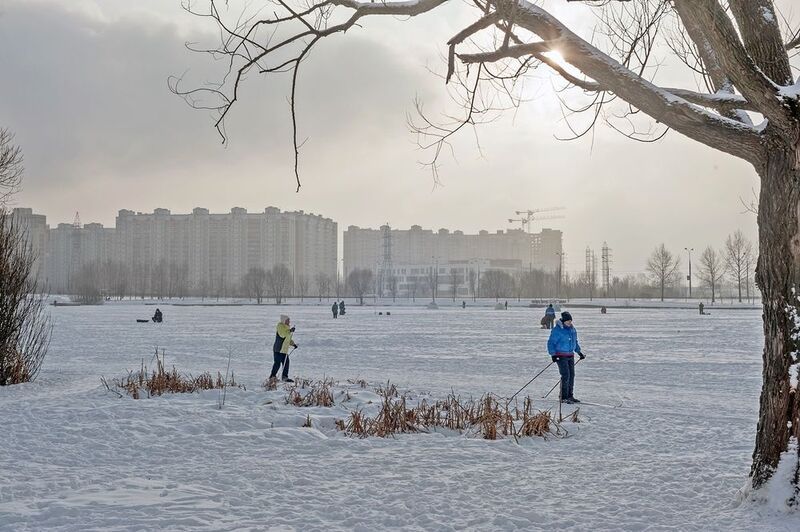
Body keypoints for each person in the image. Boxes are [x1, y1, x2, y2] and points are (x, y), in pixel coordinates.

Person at [547, 311, 586, 404]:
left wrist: (579, 352)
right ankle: (563, 397)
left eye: (570, 321)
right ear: (563, 321)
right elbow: (551, 342)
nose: (569, 323)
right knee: (565, 375)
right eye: (567, 321)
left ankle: (570, 396)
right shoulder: (557, 330)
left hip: (570, 355)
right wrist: (553, 354)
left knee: (571, 375)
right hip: (560, 356)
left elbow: (574, 342)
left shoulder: (572, 329)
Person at [270, 315, 298, 382]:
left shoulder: (287, 328)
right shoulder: (280, 326)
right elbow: (283, 335)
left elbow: (288, 339)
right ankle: (272, 376)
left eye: (289, 320)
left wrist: (293, 344)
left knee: (286, 363)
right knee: (277, 363)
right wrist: (290, 331)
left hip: (284, 350)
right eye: (288, 320)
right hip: (278, 349)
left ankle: (285, 377)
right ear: (284, 320)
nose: (289, 321)